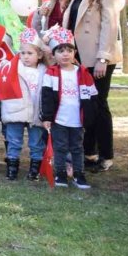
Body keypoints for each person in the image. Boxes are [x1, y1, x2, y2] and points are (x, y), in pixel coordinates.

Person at [62, 0, 121, 173]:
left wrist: (102, 59)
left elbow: (109, 26)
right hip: (77, 58)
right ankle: (90, 152)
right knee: (84, 107)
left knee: (98, 105)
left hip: (97, 58)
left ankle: (106, 155)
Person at [41, 27, 98, 189]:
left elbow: (92, 97)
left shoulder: (84, 73)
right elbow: (46, 97)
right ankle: (60, 173)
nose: (65, 54)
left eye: (69, 50)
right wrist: (46, 117)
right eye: (60, 51)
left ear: (74, 53)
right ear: (54, 54)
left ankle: (79, 174)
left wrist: (89, 116)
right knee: (60, 147)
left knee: (77, 148)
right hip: (59, 119)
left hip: (77, 120)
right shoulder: (50, 73)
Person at [0, 28, 47, 181]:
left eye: (30, 53)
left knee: (36, 142)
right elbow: (0, 78)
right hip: (15, 110)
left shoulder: (45, 72)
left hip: (37, 112)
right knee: (14, 140)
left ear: (39, 55)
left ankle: (34, 171)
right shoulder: (12, 68)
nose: (25, 57)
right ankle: (12, 168)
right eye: (23, 53)